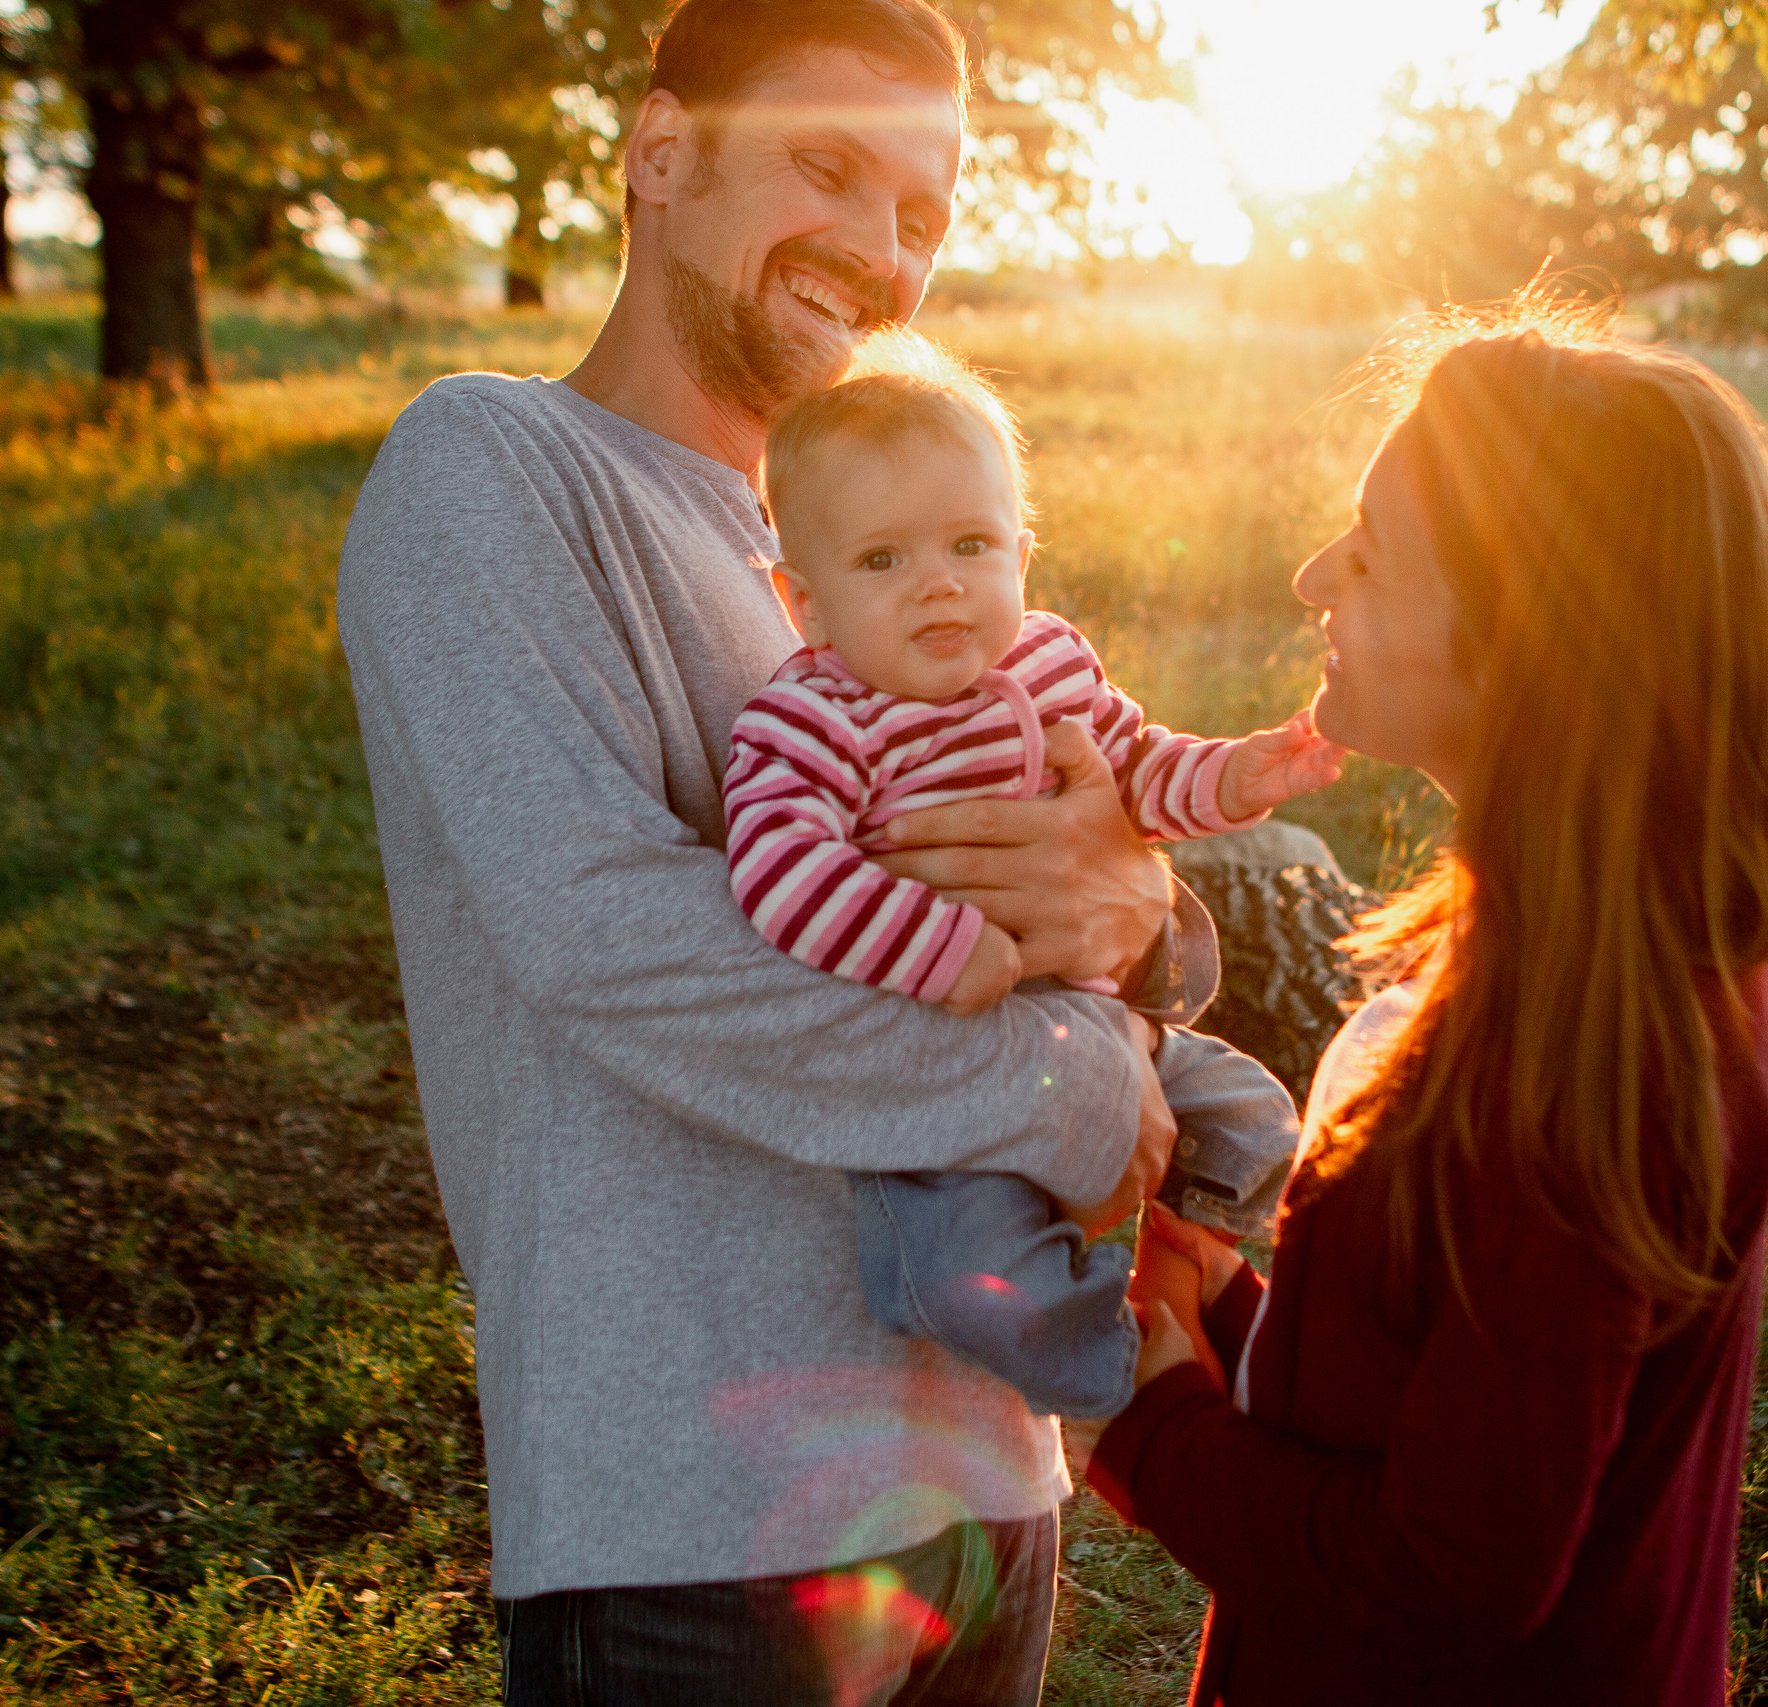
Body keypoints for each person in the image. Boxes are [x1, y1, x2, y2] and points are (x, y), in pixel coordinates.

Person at [336, 2, 1204, 1701]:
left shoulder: (878, 530)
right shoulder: (494, 467)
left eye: (923, 213)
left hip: (983, 1477)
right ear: (661, 154)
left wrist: (1149, 924)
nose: (883, 251)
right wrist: (1064, 1091)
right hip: (695, 1522)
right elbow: (614, 938)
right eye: (829, 168)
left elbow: (1087, 847)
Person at [1074, 303, 1768, 1706]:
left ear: (1536, 636)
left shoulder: (1591, 1063)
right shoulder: (1591, 944)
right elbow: (1476, 1396)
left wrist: (1154, 1431)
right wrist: (1231, 1313)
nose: (1312, 575)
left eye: (1371, 551)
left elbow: (1443, 1578)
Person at [727, 331, 1340, 1416]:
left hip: (1096, 1018)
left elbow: (1137, 768)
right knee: (972, 1263)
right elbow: (780, 869)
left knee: (1263, 1123)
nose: (938, 586)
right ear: (806, 604)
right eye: (883, 561)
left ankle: (1177, 1253)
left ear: (1020, 553)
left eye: (970, 545)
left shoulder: (1048, 662)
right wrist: (942, 947)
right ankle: (1128, 1376)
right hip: (944, 1052)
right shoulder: (814, 717)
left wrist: (1237, 775)